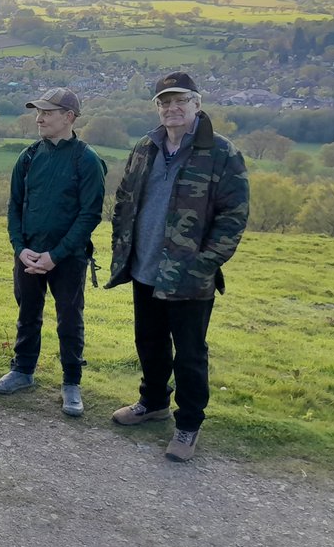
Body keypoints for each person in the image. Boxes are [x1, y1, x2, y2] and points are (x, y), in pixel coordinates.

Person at [106, 72, 249, 462]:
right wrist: (124, 245)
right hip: (144, 266)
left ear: (197, 104)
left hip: (190, 277)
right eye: (164, 102)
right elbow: (124, 199)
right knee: (149, 342)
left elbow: (233, 216)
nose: (171, 108)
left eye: (179, 101)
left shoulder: (222, 153)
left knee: (189, 353)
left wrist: (205, 263)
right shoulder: (145, 147)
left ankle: (188, 424)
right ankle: (152, 403)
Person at [0, 88, 106, 416]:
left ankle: (72, 382)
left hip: (68, 259)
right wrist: (20, 248)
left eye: (48, 112)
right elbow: (14, 206)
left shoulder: (87, 160)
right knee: (27, 313)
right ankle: (22, 371)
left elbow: (90, 215)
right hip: (27, 254)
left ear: (69, 117)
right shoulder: (28, 157)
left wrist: (56, 255)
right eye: (38, 112)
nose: (39, 118)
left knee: (70, 319)